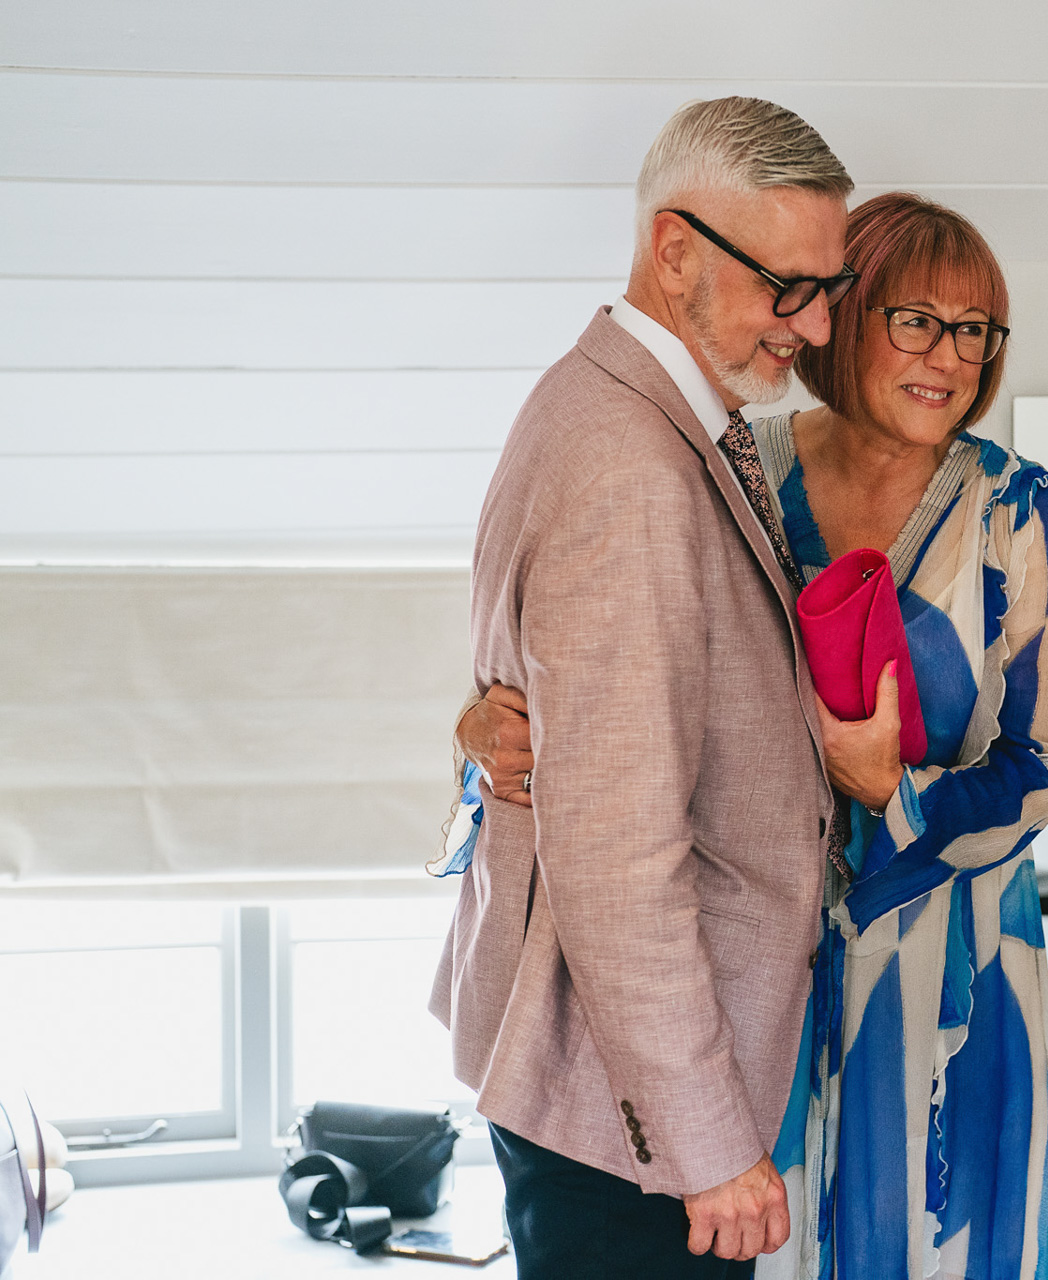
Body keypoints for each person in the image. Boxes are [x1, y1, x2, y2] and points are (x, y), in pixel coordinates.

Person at [460, 191, 1048, 1280]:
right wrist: (484, 722)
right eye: (917, 320)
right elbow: (605, 658)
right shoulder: (742, 467)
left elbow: (1043, 765)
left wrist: (896, 789)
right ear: (845, 319)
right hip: (739, 978)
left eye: (978, 328)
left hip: (948, 974)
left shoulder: (1023, 512)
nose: (953, 356)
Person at [429, 97, 855, 1279]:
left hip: (606, 1080)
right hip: (628, 1114)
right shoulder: (633, 463)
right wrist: (709, 1145)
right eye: (791, 287)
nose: (815, 325)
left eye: (827, 287)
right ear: (676, 251)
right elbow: (617, 847)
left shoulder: (617, 403)